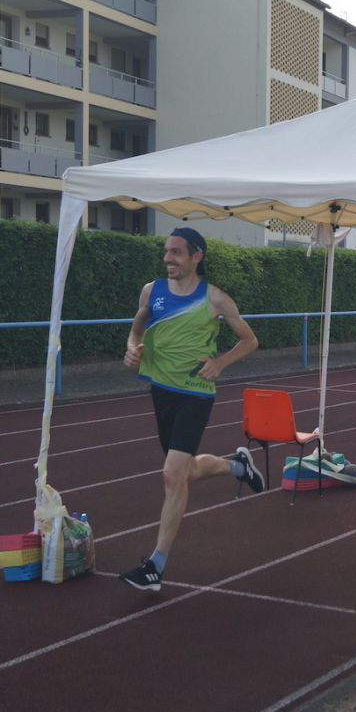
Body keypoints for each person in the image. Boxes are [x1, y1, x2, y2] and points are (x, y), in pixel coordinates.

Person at [119, 227, 264, 592]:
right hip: (161, 391)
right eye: (166, 251)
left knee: (172, 475)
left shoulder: (215, 298)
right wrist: (132, 350)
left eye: (176, 252)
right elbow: (136, 330)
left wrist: (220, 362)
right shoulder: (151, 291)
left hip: (195, 393)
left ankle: (155, 566)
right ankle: (238, 466)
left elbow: (250, 340)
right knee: (185, 472)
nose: (167, 258)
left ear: (196, 256)